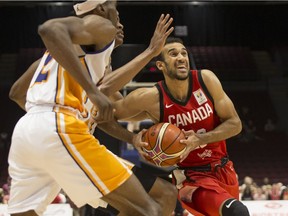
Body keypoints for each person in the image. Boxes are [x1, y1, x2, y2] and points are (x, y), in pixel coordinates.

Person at [7, 1, 175, 215]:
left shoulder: (57, 57)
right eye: (117, 12)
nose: (120, 23)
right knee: (147, 209)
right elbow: (49, 29)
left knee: (25, 213)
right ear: (102, 9)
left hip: (27, 131)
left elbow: (16, 93)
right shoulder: (101, 26)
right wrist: (151, 51)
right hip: (60, 127)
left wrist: (42, 122)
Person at [113, 37, 250, 216]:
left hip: (223, 168)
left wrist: (200, 139)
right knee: (238, 212)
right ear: (160, 65)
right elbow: (108, 113)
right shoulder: (151, 98)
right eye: (173, 54)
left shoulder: (205, 80)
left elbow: (235, 124)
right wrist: (131, 137)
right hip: (191, 178)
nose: (181, 57)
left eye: (184, 53)